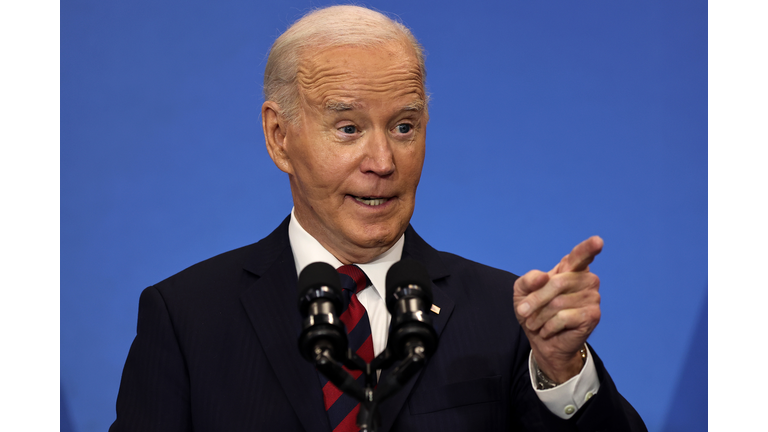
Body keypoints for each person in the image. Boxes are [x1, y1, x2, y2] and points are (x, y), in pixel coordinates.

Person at [110, 5, 646, 432]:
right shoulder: (186, 318)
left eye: (405, 127)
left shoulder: (506, 319)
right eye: (348, 128)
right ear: (280, 137)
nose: (383, 162)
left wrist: (561, 369)